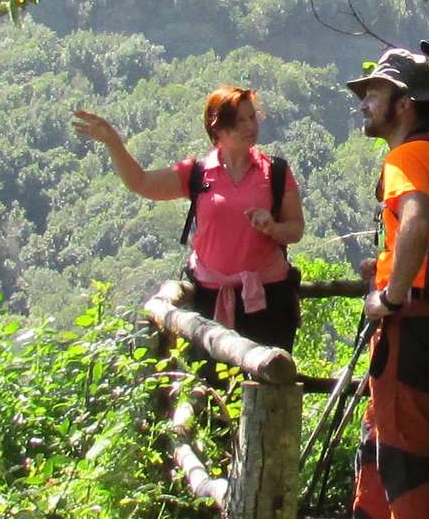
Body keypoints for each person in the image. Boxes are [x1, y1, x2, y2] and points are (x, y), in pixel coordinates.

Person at [324, 49, 429, 519]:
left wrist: (391, 295)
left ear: (404, 105)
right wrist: (386, 271)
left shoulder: (406, 158)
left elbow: (418, 216)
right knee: (381, 436)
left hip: (413, 319)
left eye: (375, 94)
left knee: (403, 447)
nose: (365, 104)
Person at [72, 88, 304, 351]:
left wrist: (272, 228)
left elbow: (295, 230)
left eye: (252, 117)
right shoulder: (197, 174)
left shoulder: (276, 172)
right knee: (211, 388)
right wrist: (113, 142)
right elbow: (141, 182)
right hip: (208, 298)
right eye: (240, 121)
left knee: (267, 381)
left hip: (267, 300)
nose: (250, 126)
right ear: (218, 129)